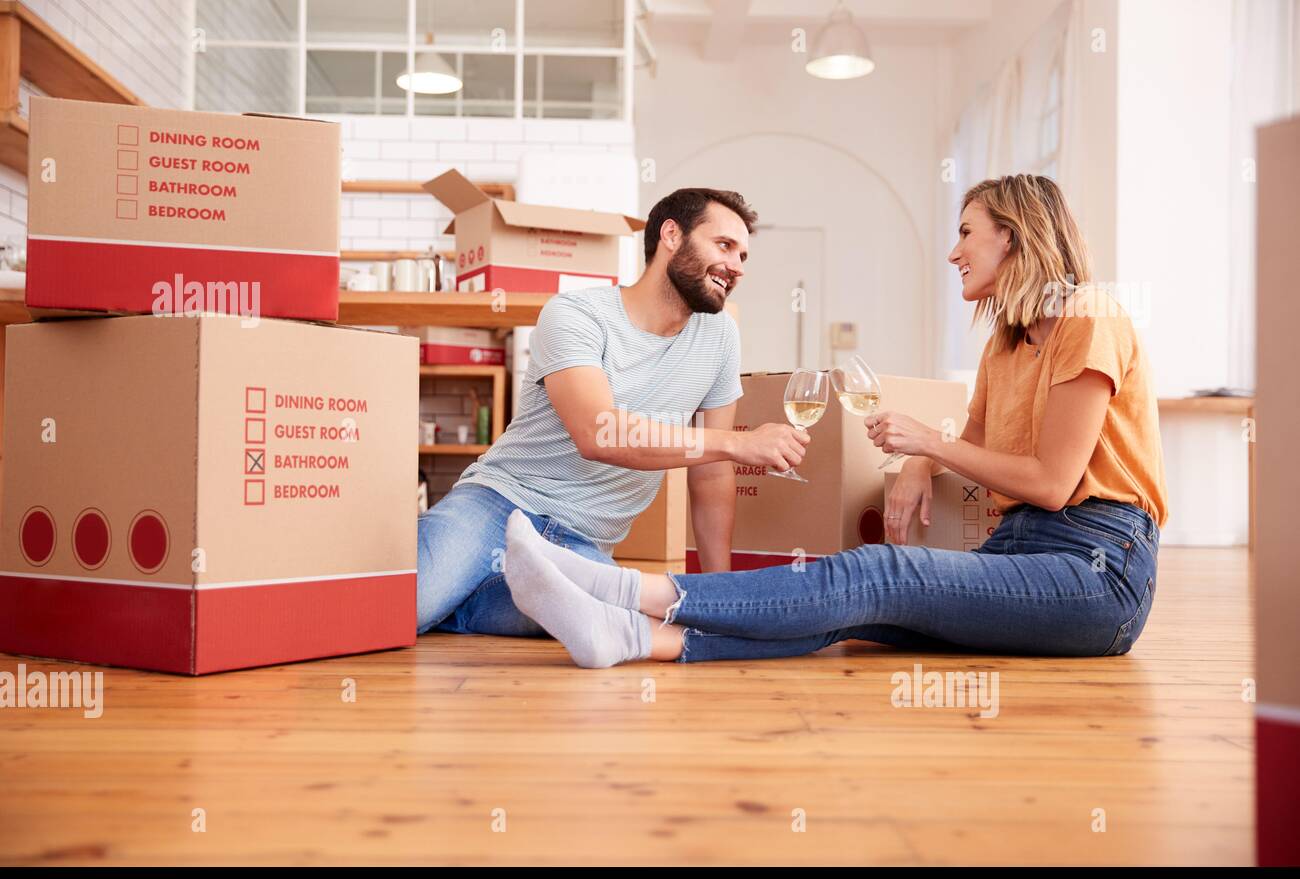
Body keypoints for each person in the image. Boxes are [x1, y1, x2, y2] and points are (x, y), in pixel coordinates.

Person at [500, 174, 1170, 667]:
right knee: (856, 611)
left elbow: (1052, 483)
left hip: (1097, 568)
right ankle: (631, 638)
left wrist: (926, 441)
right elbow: (967, 440)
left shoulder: (1089, 317)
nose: (954, 251)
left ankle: (621, 589)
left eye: (966, 232)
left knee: (878, 575)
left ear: (1013, 236)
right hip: (1021, 549)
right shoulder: (1005, 340)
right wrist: (917, 462)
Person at [416, 187, 811, 636]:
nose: (737, 266)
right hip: (501, 504)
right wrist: (737, 443)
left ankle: (462, 603)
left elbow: (712, 473)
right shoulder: (577, 314)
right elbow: (599, 434)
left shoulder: (721, 338)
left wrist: (721, 596)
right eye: (724, 246)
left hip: (584, 542)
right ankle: (444, 586)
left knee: (621, 618)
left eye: (743, 255)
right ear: (671, 236)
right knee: (403, 609)